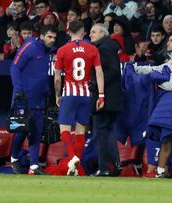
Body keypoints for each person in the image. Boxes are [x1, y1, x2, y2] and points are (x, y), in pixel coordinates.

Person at [134, 32, 172, 179]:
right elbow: (156, 69)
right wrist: (136, 68)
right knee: (167, 138)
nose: (168, 43)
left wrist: (155, 80)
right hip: (171, 106)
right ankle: (160, 172)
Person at [54, 21, 104, 176]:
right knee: (81, 131)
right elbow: (99, 73)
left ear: (69, 31)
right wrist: (101, 95)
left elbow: (57, 77)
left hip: (69, 94)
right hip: (85, 95)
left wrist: (57, 94)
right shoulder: (92, 49)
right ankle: (75, 166)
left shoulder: (62, 50)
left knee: (65, 129)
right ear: (83, 32)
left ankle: (72, 157)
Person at [9, 25, 57, 175]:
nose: (52, 40)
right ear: (41, 36)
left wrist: (49, 93)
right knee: (21, 130)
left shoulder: (49, 51)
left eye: (54, 37)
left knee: (36, 132)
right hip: (23, 97)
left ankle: (34, 166)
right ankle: (14, 158)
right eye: (49, 37)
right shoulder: (29, 46)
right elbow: (14, 67)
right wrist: (18, 89)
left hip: (39, 98)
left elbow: (41, 75)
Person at [89, 23, 123, 176]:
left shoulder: (103, 48)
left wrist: (95, 86)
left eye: (94, 32)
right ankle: (116, 163)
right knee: (107, 132)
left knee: (101, 132)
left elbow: (112, 72)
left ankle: (104, 168)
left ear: (103, 33)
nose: (91, 35)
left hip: (105, 97)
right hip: (113, 97)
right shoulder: (109, 46)